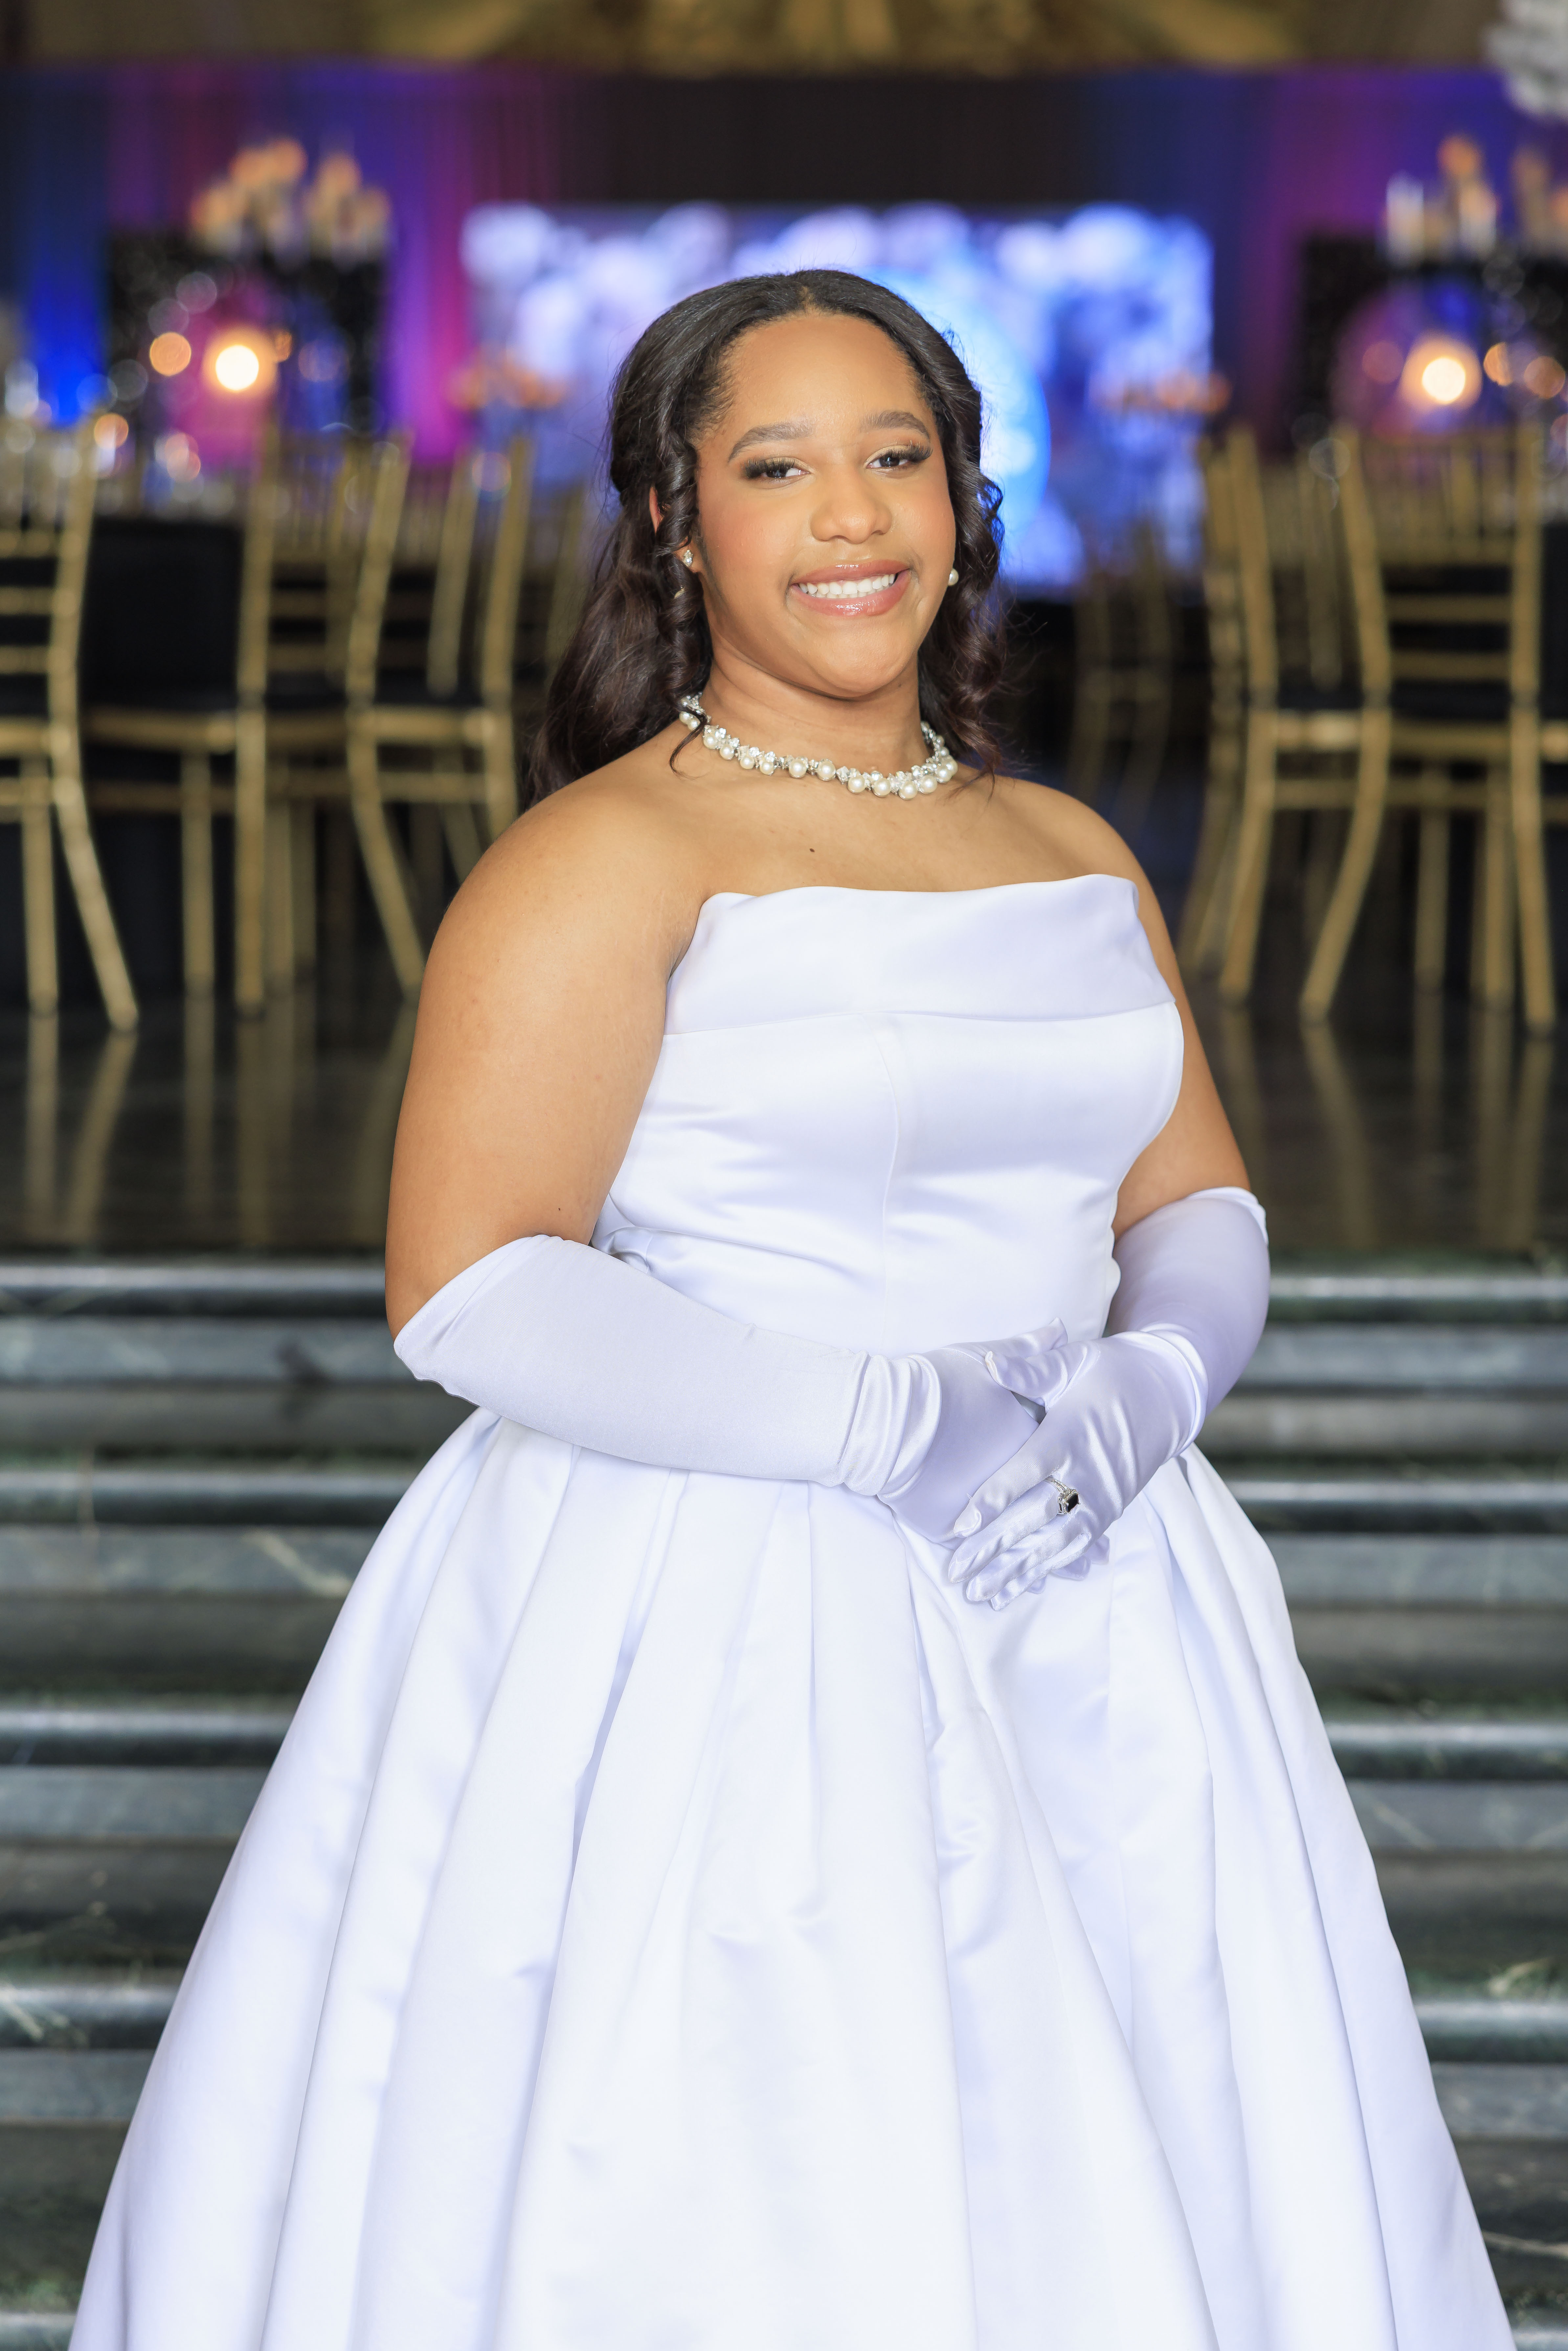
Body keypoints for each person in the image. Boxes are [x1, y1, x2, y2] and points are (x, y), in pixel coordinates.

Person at [74, 269, 1510, 2351]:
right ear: (672, 517)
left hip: (1095, 1581)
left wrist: (1149, 1380)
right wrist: (888, 1429)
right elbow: (470, 1285)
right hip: (720, 1591)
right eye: (777, 467)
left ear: (964, 494)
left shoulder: (1067, 843)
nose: (853, 518)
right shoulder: (601, 858)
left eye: (897, 456)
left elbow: (1191, 1188)